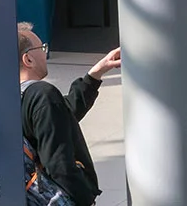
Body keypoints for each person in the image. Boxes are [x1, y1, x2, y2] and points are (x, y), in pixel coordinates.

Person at [18, 26, 119, 206]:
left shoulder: (13, 98)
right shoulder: (42, 94)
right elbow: (59, 165)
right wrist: (85, 198)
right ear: (28, 59)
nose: (45, 53)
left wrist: (95, 74)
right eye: (42, 48)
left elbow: (62, 117)